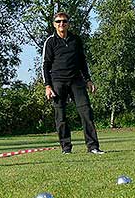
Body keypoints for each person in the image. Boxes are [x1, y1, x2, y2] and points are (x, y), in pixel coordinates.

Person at [42, 12, 104, 154]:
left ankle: (93, 147)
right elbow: (45, 65)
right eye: (58, 22)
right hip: (58, 82)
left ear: (68, 23)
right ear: (54, 24)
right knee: (61, 116)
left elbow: (82, 61)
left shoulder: (76, 40)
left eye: (64, 21)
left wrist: (88, 79)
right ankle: (66, 148)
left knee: (86, 112)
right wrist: (47, 86)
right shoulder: (50, 42)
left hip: (76, 81)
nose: (61, 24)